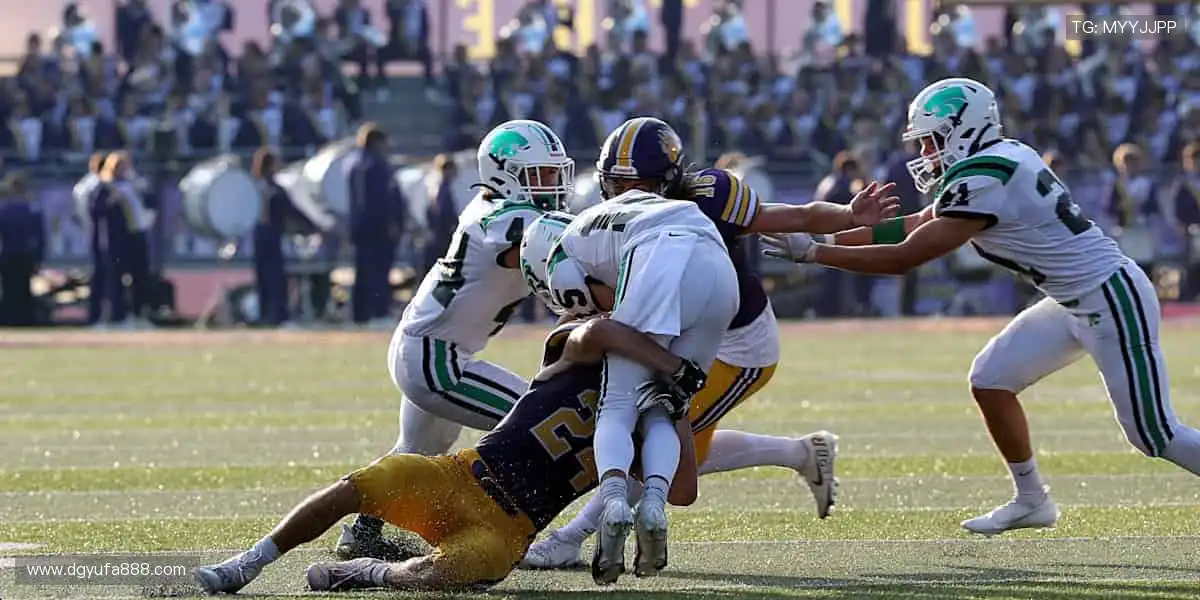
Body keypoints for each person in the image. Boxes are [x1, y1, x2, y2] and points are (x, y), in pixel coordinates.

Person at [764, 77, 1200, 535]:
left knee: (1154, 434)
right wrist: (825, 238)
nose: (927, 153)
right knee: (991, 379)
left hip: (1110, 297)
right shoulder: (997, 158)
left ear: (962, 129)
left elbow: (906, 256)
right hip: (1074, 298)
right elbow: (912, 225)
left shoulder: (984, 177)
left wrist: (816, 254)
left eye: (932, 140)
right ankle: (1032, 500)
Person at [193, 317, 706, 594]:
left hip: (508, 530)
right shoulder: (577, 353)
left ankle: (371, 573)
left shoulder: (646, 421)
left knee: (445, 573)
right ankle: (248, 563)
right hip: (461, 477)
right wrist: (669, 365)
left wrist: (679, 402)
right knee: (362, 485)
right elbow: (595, 331)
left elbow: (682, 492)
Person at [334, 119, 576, 561]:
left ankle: (362, 531)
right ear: (505, 175)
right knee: (535, 426)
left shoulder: (492, 210)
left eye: (554, 174)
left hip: (425, 347)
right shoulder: (505, 219)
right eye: (540, 175)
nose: (552, 185)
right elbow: (544, 236)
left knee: (416, 451)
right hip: (437, 359)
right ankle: (502, 526)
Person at [545, 118, 742, 584]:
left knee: (618, 404)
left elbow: (594, 316)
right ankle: (652, 503)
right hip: (718, 269)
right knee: (665, 402)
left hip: (656, 258)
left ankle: (615, 500)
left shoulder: (569, 237)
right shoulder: (682, 205)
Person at [347, 123, 406, 328]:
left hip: (360, 227)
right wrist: (391, 222)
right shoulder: (377, 166)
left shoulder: (354, 164)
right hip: (378, 228)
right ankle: (378, 311)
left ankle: (360, 314)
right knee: (378, 270)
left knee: (363, 271)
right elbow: (382, 199)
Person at [251, 147, 317, 328]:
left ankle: (264, 315)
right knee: (276, 278)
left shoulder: (256, 188)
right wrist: (313, 227)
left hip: (258, 238)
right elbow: (293, 212)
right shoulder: (276, 190)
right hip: (272, 238)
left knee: (263, 279)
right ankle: (279, 316)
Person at [0, 172, 45, 326]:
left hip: (8, 253)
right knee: (23, 288)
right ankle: (24, 319)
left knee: (9, 289)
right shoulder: (32, 208)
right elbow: (40, 236)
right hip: (25, 253)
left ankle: (9, 319)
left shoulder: (4, 209)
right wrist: (39, 257)